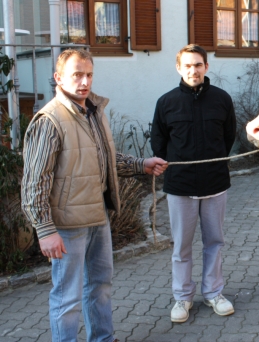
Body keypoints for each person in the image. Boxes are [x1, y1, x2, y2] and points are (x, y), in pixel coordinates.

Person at [21, 49, 168, 342]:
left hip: (97, 216)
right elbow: (35, 181)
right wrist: (45, 229)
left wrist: (141, 164)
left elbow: (105, 159)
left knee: (100, 285)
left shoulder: (93, 112)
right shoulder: (49, 120)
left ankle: (102, 338)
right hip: (67, 226)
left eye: (89, 74)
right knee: (67, 299)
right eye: (77, 74)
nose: (84, 81)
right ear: (58, 78)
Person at [151, 44, 237, 323]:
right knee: (182, 247)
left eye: (198, 64)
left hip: (215, 183)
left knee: (214, 241)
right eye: (187, 65)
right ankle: (182, 297)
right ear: (179, 68)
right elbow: (159, 143)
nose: (193, 70)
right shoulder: (166, 103)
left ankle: (213, 293)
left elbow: (228, 137)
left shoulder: (222, 99)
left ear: (206, 67)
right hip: (181, 187)